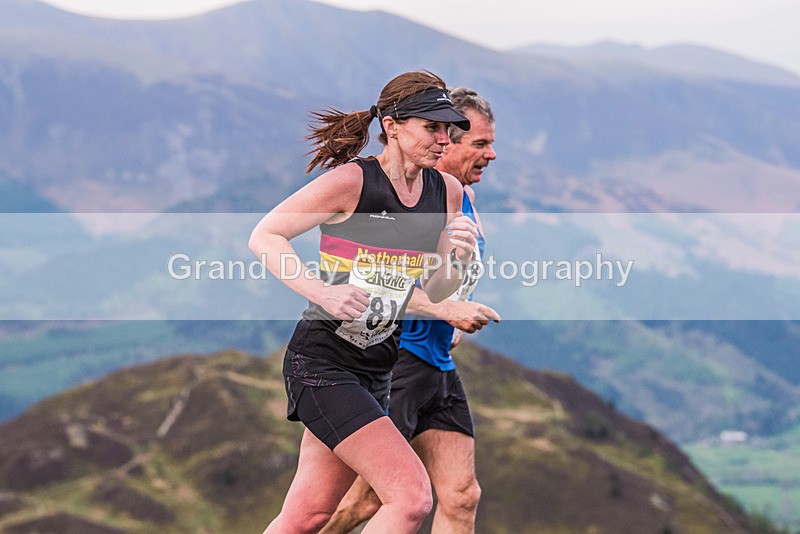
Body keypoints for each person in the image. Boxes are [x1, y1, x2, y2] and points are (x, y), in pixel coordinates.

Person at [249, 71, 479, 534]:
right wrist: (322, 291)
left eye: (448, 128)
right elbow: (266, 235)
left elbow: (435, 288)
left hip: (377, 369)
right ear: (392, 126)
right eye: (431, 127)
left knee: (307, 516)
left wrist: (459, 256)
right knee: (411, 498)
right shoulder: (353, 181)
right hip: (322, 364)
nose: (444, 139)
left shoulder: (446, 192)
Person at [320, 87, 500, 533]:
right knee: (356, 505)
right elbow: (377, 279)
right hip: (402, 360)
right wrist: (444, 311)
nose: (491, 154)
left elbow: (442, 282)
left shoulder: (460, 199)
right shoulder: (417, 198)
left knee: (461, 495)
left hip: (436, 363)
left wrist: (449, 313)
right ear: (446, 141)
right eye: (479, 143)